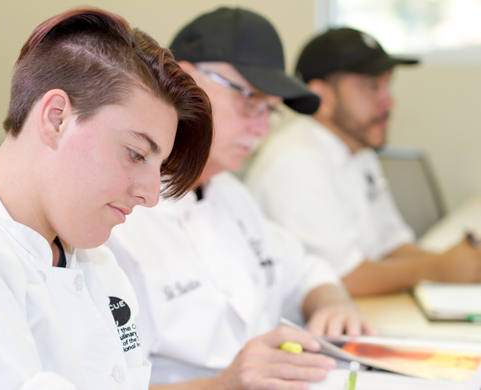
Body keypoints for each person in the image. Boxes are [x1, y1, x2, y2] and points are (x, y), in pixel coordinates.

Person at [0, 7, 213, 390]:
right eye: (135, 154)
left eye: (157, 165)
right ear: (56, 118)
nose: (149, 195)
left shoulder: (99, 266)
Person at [106, 9, 375, 389]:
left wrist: (332, 303)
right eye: (250, 100)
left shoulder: (231, 196)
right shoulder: (116, 215)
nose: (262, 128)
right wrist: (226, 383)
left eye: (269, 110)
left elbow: (306, 271)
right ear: (185, 81)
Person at [246, 27, 481, 296]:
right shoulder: (296, 161)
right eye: (372, 86)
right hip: (311, 329)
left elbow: (391, 245)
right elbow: (345, 279)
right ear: (322, 97)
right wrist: (438, 268)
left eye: (387, 85)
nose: (389, 102)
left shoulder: (359, 151)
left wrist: (462, 265)